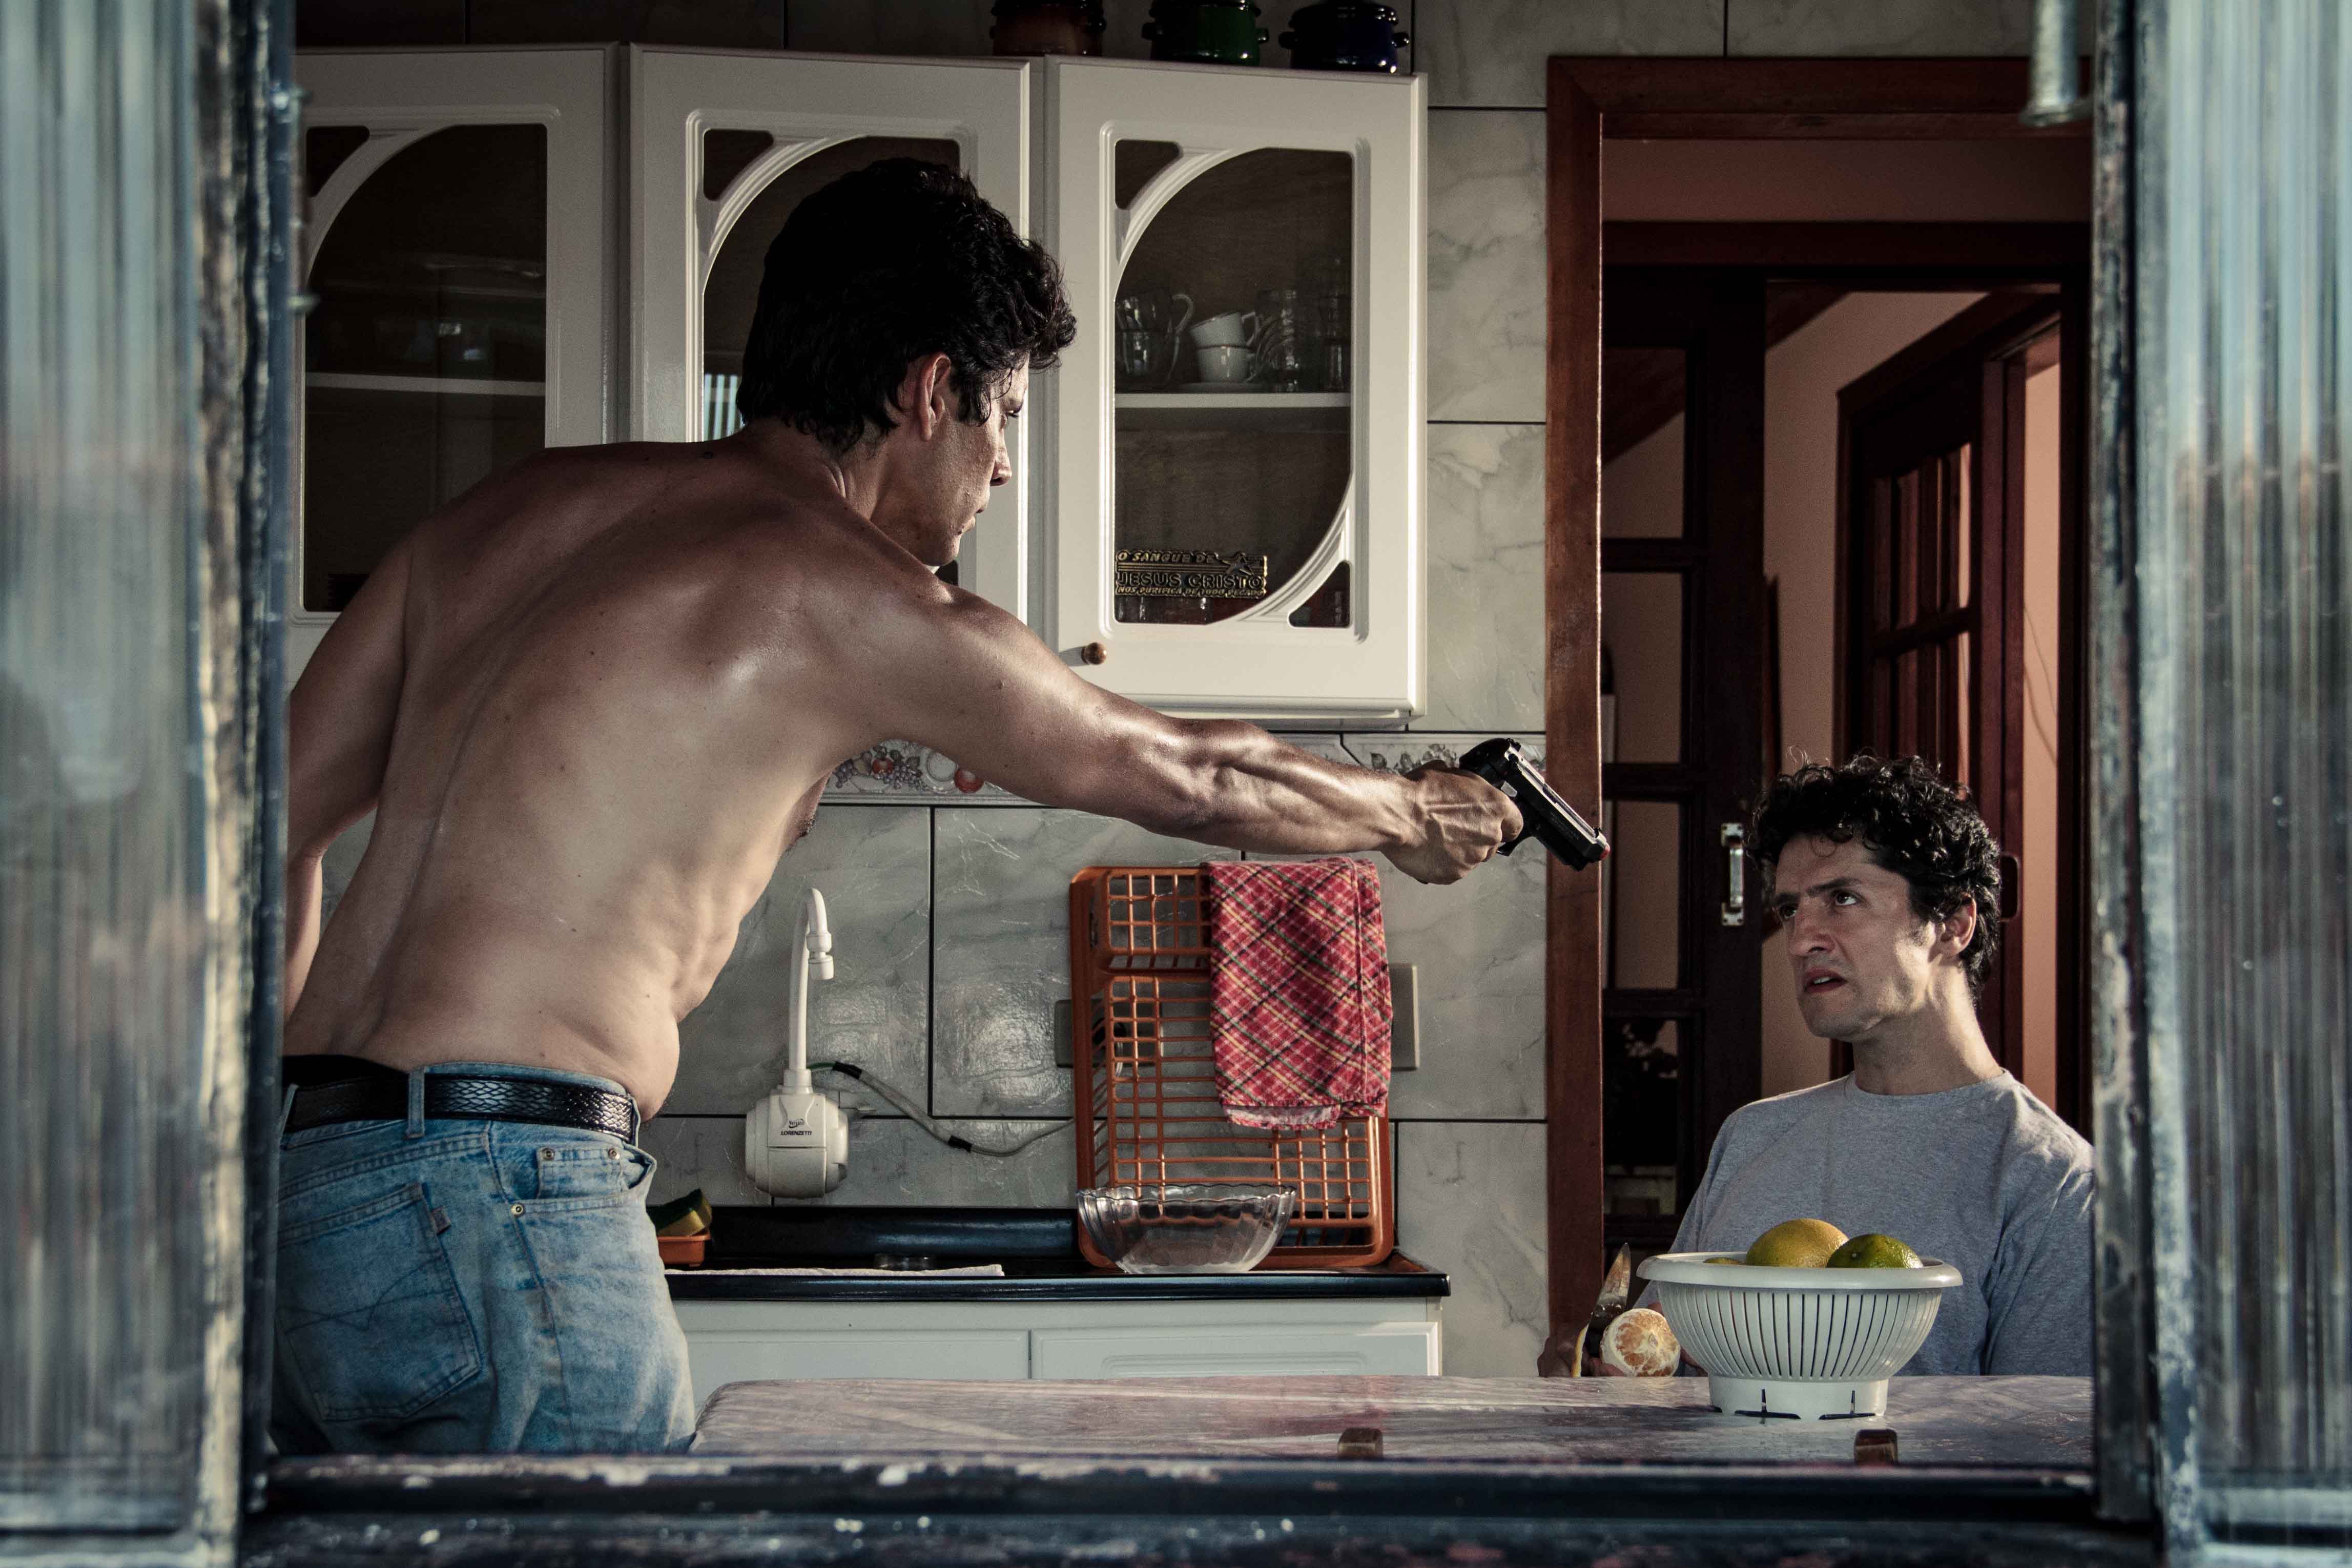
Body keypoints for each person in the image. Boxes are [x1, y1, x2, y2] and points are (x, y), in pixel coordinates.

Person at [272, 158, 1521, 1454]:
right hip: (511, 1185)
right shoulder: (844, 591)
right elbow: (1192, 777)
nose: (1006, 467)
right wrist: (1408, 812)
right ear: (930, 391)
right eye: (1006, 414)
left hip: (306, 1177)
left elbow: (271, 838)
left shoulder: (497, 515)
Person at [1621, 755, 2093, 1378]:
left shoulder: (2052, 1181)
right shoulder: (1753, 1136)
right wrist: (1596, 1378)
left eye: (1842, 899)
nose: (1800, 940)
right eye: (1791, 910)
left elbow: (2042, 1429)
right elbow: (1656, 1367)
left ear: (1953, 923)